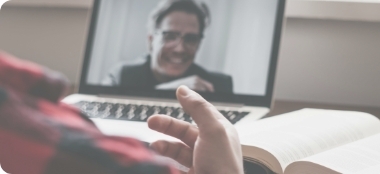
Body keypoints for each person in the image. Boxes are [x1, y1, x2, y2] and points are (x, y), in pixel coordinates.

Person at [0, 51, 243, 174]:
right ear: (152, 37)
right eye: (170, 34)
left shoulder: (215, 80)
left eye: (190, 38)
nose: (180, 46)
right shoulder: (124, 72)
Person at [103, 0, 233, 93]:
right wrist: (170, 91)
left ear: (199, 44)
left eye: (191, 39)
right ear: (151, 40)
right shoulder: (122, 77)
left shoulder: (219, 86)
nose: (180, 49)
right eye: (170, 36)